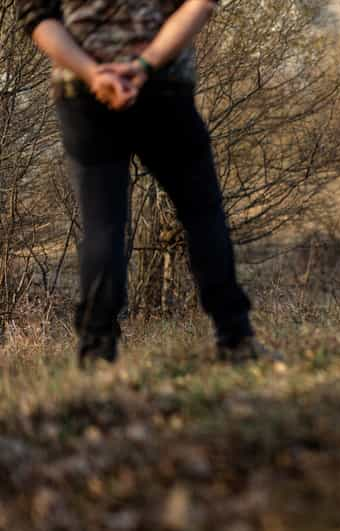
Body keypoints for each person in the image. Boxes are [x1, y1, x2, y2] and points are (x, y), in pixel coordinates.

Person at [16, 0, 275, 366]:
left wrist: (93, 75)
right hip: (163, 85)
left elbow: (37, 16)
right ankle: (235, 339)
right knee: (202, 214)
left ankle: (96, 352)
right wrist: (143, 65)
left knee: (103, 223)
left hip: (82, 92)